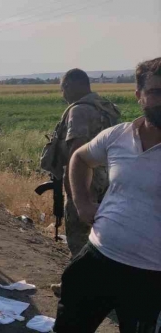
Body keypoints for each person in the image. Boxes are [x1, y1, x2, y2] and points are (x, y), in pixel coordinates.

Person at [54, 57, 161, 332]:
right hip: (97, 259)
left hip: (149, 276)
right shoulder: (118, 136)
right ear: (139, 96)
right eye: (156, 92)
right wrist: (82, 203)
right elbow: (79, 157)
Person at [41, 69, 120, 295]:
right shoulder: (105, 107)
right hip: (110, 179)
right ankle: (102, 285)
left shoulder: (80, 112)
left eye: (63, 88)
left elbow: (77, 155)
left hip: (87, 181)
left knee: (78, 235)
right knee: (102, 237)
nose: (62, 94)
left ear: (73, 85)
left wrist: (74, 195)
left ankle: (77, 289)